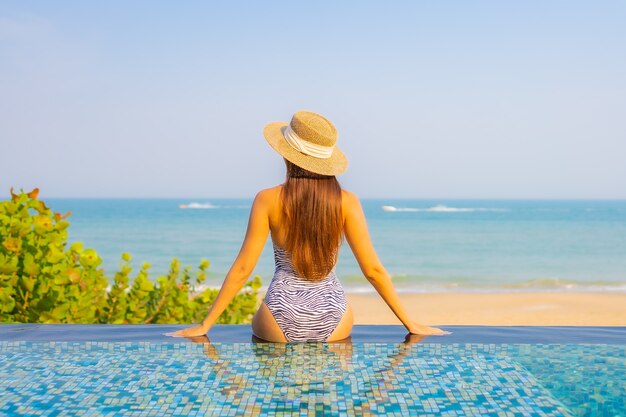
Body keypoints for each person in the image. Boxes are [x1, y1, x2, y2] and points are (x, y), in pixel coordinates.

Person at [169, 111, 448, 342]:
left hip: (279, 316)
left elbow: (243, 269)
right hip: (333, 316)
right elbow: (373, 270)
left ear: (287, 154)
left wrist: (205, 325)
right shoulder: (347, 202)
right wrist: (410, 323)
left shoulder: (267, 199)